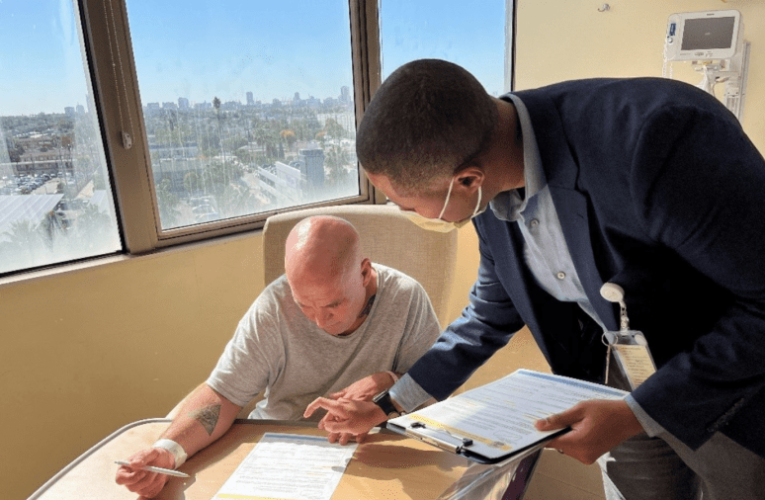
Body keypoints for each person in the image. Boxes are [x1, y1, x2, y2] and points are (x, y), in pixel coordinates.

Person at [305, 59, 765, 499]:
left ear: (466, 180)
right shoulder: (488, 174)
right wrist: (388, 404)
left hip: (732, 378)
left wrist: (639, 411)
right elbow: (488, 315)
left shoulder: (655, 138)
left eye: (407, 205)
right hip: (620, 371)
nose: (406, 214)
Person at [116, 215, 441, 498]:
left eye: (333, 305)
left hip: (372, 452)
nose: (319, 321)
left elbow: (435, 398)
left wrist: (391, 383)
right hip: (277, 450)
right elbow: (223, 396)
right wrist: (168, 451)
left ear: (364, 272)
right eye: (304, 306)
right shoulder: (275, 305)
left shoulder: (406, 298)